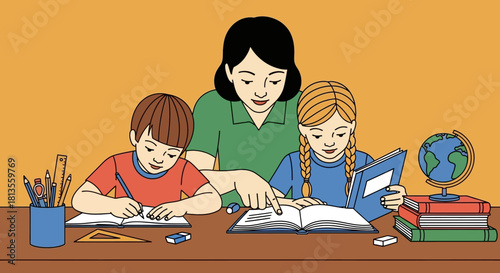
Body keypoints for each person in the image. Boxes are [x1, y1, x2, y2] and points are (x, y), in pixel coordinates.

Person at [185, 16, 301, 213]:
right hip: (224, 216)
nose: (261, 92)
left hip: (291, 217)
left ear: (288, 74)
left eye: (274, 81)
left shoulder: (301, 106)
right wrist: (238, 178)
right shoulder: (211, 106)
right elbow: (188, 178)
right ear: (229, 72)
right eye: (248, 80)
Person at [72, 93, 221, 220]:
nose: (159, 159)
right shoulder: (116, 164)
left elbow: (214, 200)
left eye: (171, 154)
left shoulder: (182, 169)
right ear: (134, 138)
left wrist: (181, 207)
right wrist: (112, 205)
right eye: (150, 148)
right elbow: (80, 198)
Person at [270, 81, 406, 212]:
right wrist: (291, 203)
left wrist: (398, 201)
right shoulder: (292, 162)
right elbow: (269, 200)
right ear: (303, 130)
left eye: (340, 134)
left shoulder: (364, 161)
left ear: (352, 127)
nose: (329, 142)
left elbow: (379, 203)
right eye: (318, 135)